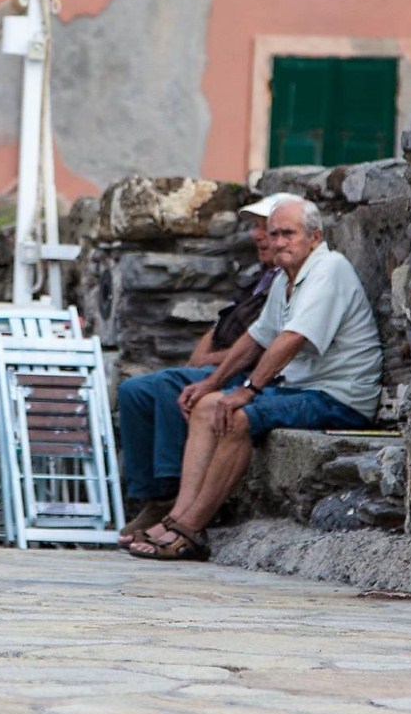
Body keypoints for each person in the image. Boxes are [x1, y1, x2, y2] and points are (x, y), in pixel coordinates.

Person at [128, 197, 384, 562]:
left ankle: (191, 529)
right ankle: (176, 518)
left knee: (238, 417)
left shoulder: (330, 269)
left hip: (339, 398)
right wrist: (212, 383)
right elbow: (257, 337)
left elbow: (291, 338)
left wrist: (248, 391)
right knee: (206, 406)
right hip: (302, 390)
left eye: (288, 234)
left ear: (315, 236)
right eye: (274, 233)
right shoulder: (285, 278)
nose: (278, 242)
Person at [116, 192, 297, 549]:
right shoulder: (257, 278)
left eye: (270, 229)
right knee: (133, 390)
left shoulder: (290, 280)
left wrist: (213, 368)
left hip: (246, 373)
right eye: (260, 229)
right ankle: (151, 497)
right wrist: (201, 362)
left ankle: (172, 492)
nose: (260, 236)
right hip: (223, 367)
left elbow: (264, 343)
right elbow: (217, 330)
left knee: (170, 386)